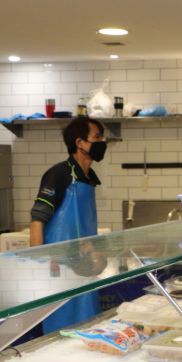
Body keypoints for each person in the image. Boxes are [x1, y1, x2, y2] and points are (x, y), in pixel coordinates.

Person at [29, 116, 108, 334]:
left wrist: (97, 254)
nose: (102, 142)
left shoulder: (90, 178)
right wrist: (39, 264)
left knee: (86, 326)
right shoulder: (59, 174)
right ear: (80, 143)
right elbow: (38, 218)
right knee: (60, 327)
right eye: (97, 137)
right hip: (58, 268)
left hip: (83, 267)